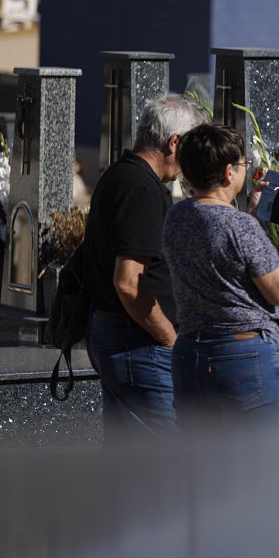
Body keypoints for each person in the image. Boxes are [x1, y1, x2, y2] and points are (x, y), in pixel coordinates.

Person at [163, 124, 279, 433]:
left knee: (202, 465)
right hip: (243, 357)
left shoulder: (177, 216)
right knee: (251, 468)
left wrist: (250, 216)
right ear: (229, 173)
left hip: (191, 353)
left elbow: (225, 259)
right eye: (243, 164)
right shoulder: (239, 227)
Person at [82, 94, 207, 438]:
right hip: (137, 343)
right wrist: (170, 339)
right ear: (174, 142)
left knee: (130, 459)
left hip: (121, 336)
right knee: (165, 459)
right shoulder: (140, 188)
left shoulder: (121, 175)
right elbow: (129, 283)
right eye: (191, 147)